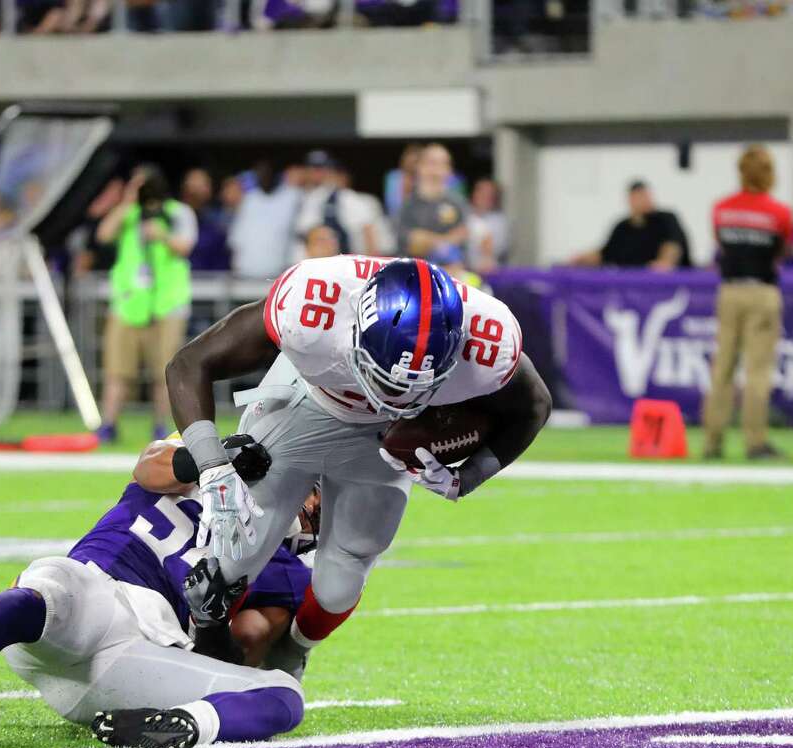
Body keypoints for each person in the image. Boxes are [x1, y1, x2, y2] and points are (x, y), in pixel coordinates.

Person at [167, 256, 551, 679]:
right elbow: (188, 363)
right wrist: (213, 468)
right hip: (303, 404)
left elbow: (533, 405)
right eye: (386, 378)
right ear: (355, 329)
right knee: (231, 556)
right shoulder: (313, 308)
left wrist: (468, 476)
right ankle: (202, 647)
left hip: (382, 442)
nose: (397, 395)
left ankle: (292, 650)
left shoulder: (487, 340)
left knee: (340, 583)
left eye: (414, 387)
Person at [0, 433, 320, 748]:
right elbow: (149, 466)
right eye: (317, 489)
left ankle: (178, 723)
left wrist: (211, 619)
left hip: (134, 652)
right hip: (91, 598)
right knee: (62, 589)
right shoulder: (208, 462)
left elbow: (236, 653)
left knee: (285, 696)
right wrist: (214, 459)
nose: (316, 506)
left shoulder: (285, 570)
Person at [702, 145, 793, 462]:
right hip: (761, 292)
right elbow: (783, 251)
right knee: (757, 370)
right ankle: (755, 442)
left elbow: (721, 245)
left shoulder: (721, 209)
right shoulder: (778, 213)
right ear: (769, 173)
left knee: (722, 368)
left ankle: (712, 442)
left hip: (728, 292)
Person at [96, 164, 196, 443]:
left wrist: (161, 235)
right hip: (129, 305)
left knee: (164, 370)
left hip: (167, 304)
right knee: (117, 369)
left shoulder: (178, 212)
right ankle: (109, 425)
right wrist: (126, 202)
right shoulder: (128, 214)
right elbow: (103, 234)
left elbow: (186, 246)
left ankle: (161, 426)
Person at [569, 180, 690, 270]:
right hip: (632, 287)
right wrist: (580, 259)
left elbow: (673, 244)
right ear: (630, 199)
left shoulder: (666, 219)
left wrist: (664, 262)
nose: (644, 200)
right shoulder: (622, 227)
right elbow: (605, 253)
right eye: (639, 197)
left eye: (646, 196)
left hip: (664, 285)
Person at [291, 151, 383, 262]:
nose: (316, 173)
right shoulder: (300, 196)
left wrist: (370, 264)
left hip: (338, 264)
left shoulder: (344, 196)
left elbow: (368, 230)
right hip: (304, 262)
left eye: (321, 168)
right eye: (312, 168)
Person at [396, 143, 470, 260]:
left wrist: (426, 239)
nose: (436, 171)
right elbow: (409, 243)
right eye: (432, 163)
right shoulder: (408, 205)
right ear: (419, 167)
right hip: (416, 272)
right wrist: (447, 240)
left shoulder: (458, 204)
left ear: (449, 170)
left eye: (443, 164)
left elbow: (463, 239)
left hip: (452, 272)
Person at [228, 161, 301, 281]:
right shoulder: (249, 200)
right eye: (260, 174)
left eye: (268, 173)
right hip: (245, 273)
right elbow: (236, 241)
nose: (264, 177)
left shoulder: (293, 196)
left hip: (279, 275)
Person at [180, 168, 231, 272]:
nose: (197, 191)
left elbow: (221, 267)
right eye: (193, 185)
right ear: (185, 188)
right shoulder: (172, 218)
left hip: (207, 284)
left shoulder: (216, 229)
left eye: (204, 186)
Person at [466, 178, 511, 273]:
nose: (484, 196)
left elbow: (500, 249)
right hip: (462, 270)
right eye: (481, 192)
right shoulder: (463, 215)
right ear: (474, 193)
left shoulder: (500, 221)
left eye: (489, 194)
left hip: (491, 271)